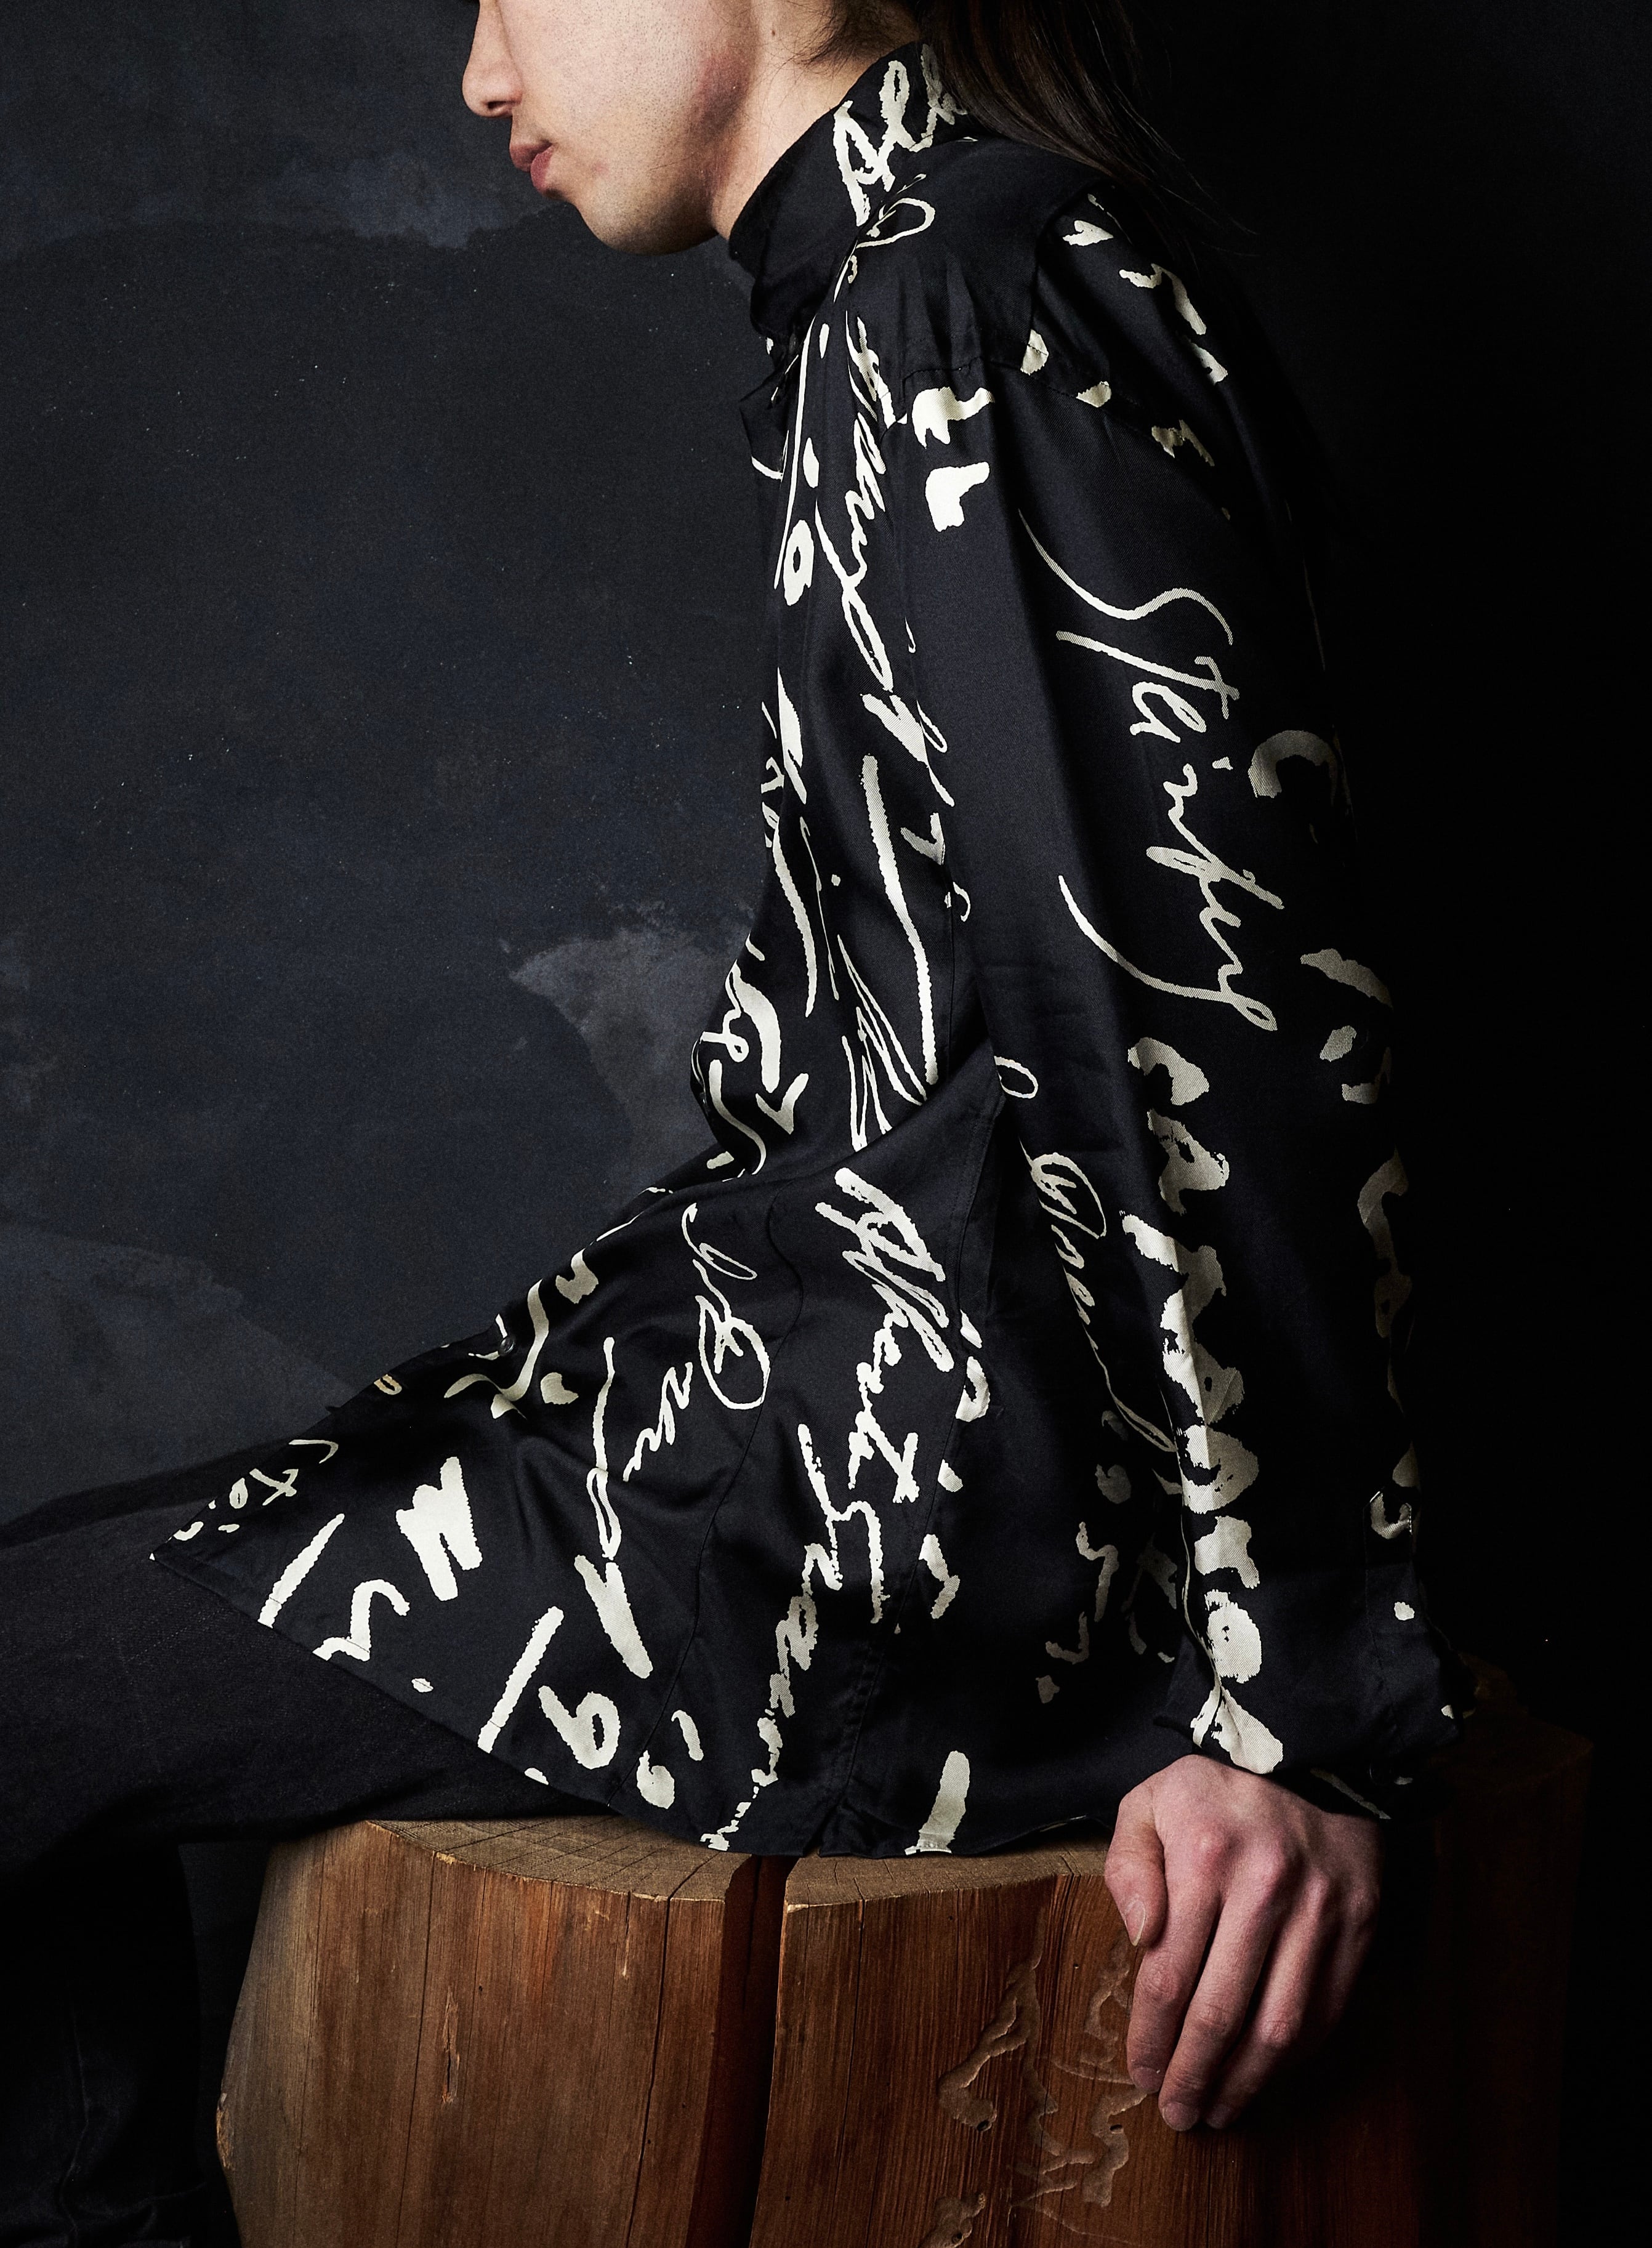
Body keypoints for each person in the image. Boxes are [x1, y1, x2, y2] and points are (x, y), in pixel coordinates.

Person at [1, 1, 1465, 2233]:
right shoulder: (904, 282)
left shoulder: (965, 293)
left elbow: (1202, 1007)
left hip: (914, 1517)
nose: (480, 76)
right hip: (795, 1417)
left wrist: (1296, 1705)